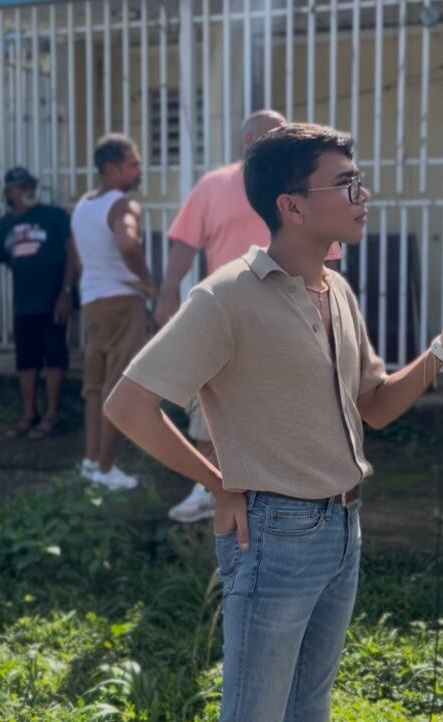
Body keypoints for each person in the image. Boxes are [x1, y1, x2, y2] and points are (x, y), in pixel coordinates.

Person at [105, 123, 443, 721]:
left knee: (308, 708)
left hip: (344, 525)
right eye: (345, 183)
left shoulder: (336, 290)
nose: (363, 195)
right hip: (273, 535)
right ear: (291, 206)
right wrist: (218, 483)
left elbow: (374, 405)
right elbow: (127, 405)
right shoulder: (226, 298)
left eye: (359, 181)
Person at [155, 109, 344, 523]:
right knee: (212, 404)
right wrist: (167, 292)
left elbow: (327, 254)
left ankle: (284, 489)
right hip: (227, 316)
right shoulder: (214, 186)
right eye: (277, 135)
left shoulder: (303, 189)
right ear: (250, 141)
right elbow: (185, 244)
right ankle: (208, 488)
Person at [72, 134, 152, 489]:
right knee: (119, 386)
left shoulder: (83, 205)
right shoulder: (122, 206)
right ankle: (106, 470)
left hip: (92, 303)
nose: (140, 171)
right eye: (133, 164)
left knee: (94, 387)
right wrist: (149, 283)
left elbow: (78, 257)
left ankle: (91, 462)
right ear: (111, 168)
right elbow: (127, 243)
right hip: (123, 301)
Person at [0, 167, 78, 440]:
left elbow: (72, 254)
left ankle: (52, 414)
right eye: (21, 186)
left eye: (30, 184)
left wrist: (66, 292)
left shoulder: (54, 216)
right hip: (23, 302)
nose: (28, 190)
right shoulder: (3, 225)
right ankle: (29, 414)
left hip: (54, 300)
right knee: (26, 360)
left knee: (54, 356)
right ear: (9, 192)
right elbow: (9, 260)